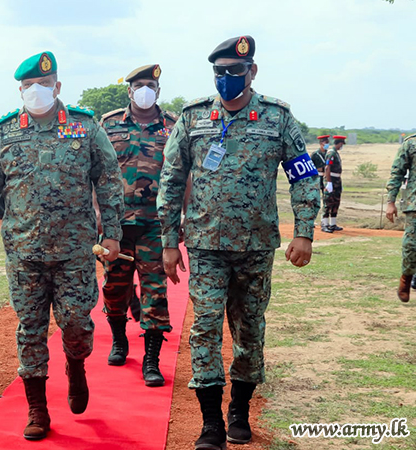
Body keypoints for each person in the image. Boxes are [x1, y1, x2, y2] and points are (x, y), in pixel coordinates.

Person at [157, 36, 320, 449]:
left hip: (255, 245)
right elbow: (172, 180)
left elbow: (303, 175)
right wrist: (168, 240)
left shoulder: (277, 117)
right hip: (206, 244)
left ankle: (239, 411)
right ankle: (211, 423)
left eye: (235, 71)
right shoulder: (193, 118)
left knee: (249, 331)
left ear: (252, 72)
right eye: (220, 72)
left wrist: (304, 231)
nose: (227, 79)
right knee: (205, 328)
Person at [0, 51, 124, 441]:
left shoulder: (85, 128)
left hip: (74, 252)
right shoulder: (4, 132)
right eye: (28, 86)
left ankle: (76, 364)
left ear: (58, 87)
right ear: (20, 90)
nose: (36, 91)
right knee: (30, 328)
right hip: (24, 253)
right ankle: (37, 408)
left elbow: (108, 180)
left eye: (43, 84)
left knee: (75, 324)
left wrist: (113, 233)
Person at [99, 64, 176, 387]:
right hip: (116, 224)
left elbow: (181, 174)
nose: (145, 90)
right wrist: (99, 217)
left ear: (158, 90)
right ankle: (119, 339)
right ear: (129, 91)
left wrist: (179, 218)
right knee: (115, 288)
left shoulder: (173, 126)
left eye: (150, 84)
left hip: (155, 225)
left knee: (155, 292)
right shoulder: (109, 124)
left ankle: (151, 360)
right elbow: (97, 173)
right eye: (139, 85)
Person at [386, 133, 416, 302]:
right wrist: (391, 202)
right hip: (415, 203)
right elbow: (397, 172)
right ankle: (406, 278)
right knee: (411, 246)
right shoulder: (411, 144)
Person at [323, 135, 346, 232]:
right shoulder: (331, 153)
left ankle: (332, 223)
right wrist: (329, 182)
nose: (342, 146)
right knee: (328, 202)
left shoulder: (335, 153)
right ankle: (324, 224)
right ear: (339, 143)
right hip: (331, 179)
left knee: (335, 202)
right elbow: (327, 168)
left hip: (336, 180)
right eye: (341, 144)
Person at [311, 135, 331, 232]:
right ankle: (311, 221)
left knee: (326, 199)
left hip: (325, 177)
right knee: (314, 199)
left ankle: (324, 222)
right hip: (317, 177)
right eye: (325, 142)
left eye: (328, 142)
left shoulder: (328, 153)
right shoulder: (315, 154)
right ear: (321, 143)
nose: (327, 144)